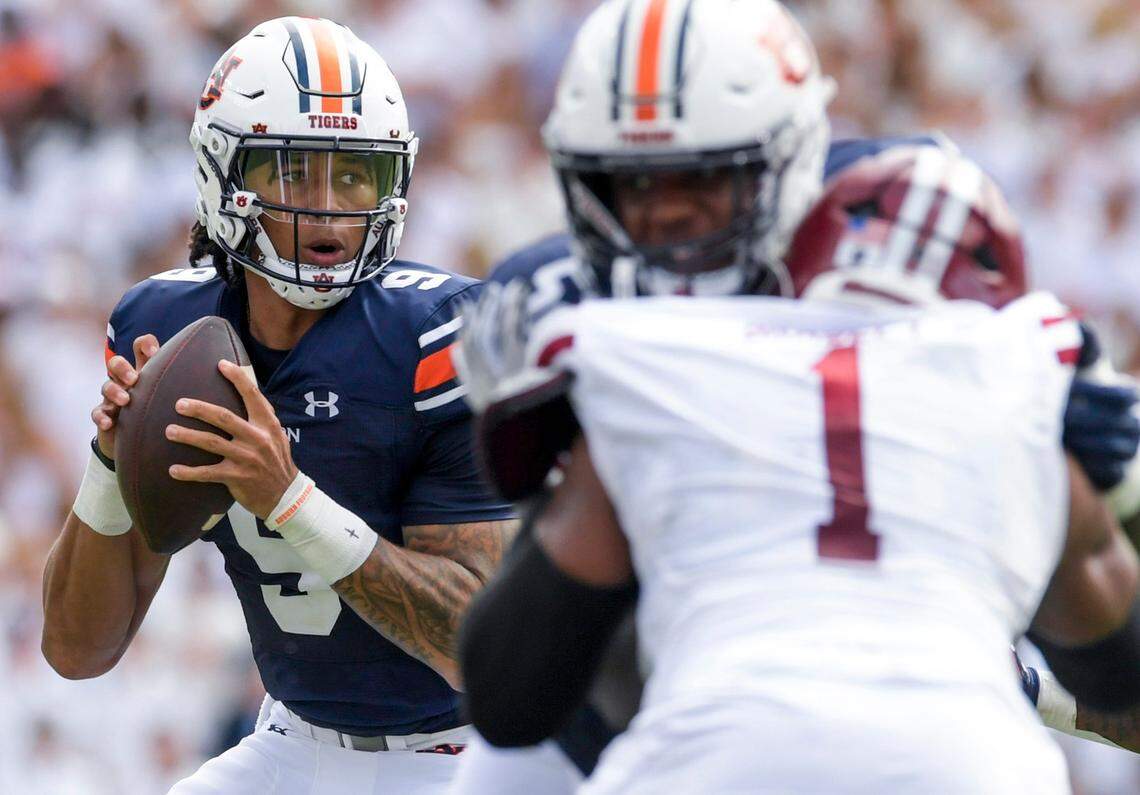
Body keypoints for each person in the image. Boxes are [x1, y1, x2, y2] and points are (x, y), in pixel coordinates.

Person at [449, 1, 1140, 791]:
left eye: (707, 176)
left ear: (793, 166)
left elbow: (514, 684)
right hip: (681, 715)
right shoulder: (989, 344)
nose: (667, 213)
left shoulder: (868, 251)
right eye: (629, 181)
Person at [40, 17, 515, 795]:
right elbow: (77, 650)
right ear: (221, 171)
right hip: (294, 740)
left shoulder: (437, 334)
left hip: (470, 755)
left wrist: (289, 500)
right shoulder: (167, 331)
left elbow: (484, 648)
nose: (328, 209)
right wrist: (108, 459)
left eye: (356, 176)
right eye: (295, 173)